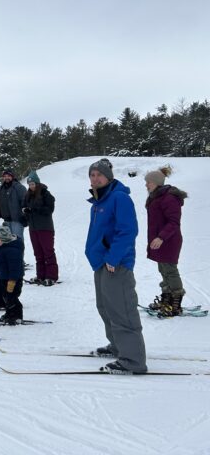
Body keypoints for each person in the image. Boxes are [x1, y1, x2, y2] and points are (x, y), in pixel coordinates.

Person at [86, 158, 147, 374]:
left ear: (109, 177)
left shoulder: (119, 198)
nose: (95, 178)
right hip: (101, 262)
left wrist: (113, 258)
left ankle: (133, 360)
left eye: (99, 175)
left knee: (122, 311)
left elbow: (128, 231)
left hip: (116, 263)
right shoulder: (99, 201)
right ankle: (118, 346)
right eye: (92, 175)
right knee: (105, 307)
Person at [144, 166, 188, 317]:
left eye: (148, 182)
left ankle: (176, 303)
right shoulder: (156, 196)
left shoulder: (169, 198)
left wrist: (161, 237)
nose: (146, 185)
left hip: (169, 240)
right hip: (159, 241)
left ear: (157, 183)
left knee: (170, 271)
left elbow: (174, 222)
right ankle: (167, 299)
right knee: (163, 270)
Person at [22, 171, 59, 285]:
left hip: (45, 227)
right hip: (33, 228)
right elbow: (24, 207)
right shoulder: (28, 195)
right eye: (29, 184)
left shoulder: (45, 194)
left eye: (33, 184)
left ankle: (51, 276)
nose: (31, 186)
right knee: (38, 252)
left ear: (37, 183)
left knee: (48, 252)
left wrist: (33, 210)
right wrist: (25, 211)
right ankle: (40, 275)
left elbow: (49, 209)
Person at [0, 224, 25, 325]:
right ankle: (9, 313)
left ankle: (17, 316)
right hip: (4, 276)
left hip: (14, 278)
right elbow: (0, 261)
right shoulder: (1, 246)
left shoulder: (13, 250)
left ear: (5, 239)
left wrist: (12, 280)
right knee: (6, 297)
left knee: (12, 297)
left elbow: (15, 267)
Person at [0, 170, 27, 242]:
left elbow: (25, 202)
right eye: (5, 176)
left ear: (12, 177)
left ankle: (19, 250)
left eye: (9, 176)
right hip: (6, 220)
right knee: (7, 241)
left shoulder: (19, 187)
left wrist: (24, 216)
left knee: (17, 240)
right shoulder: (0, 188)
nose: (6, 178)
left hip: (17, 220)